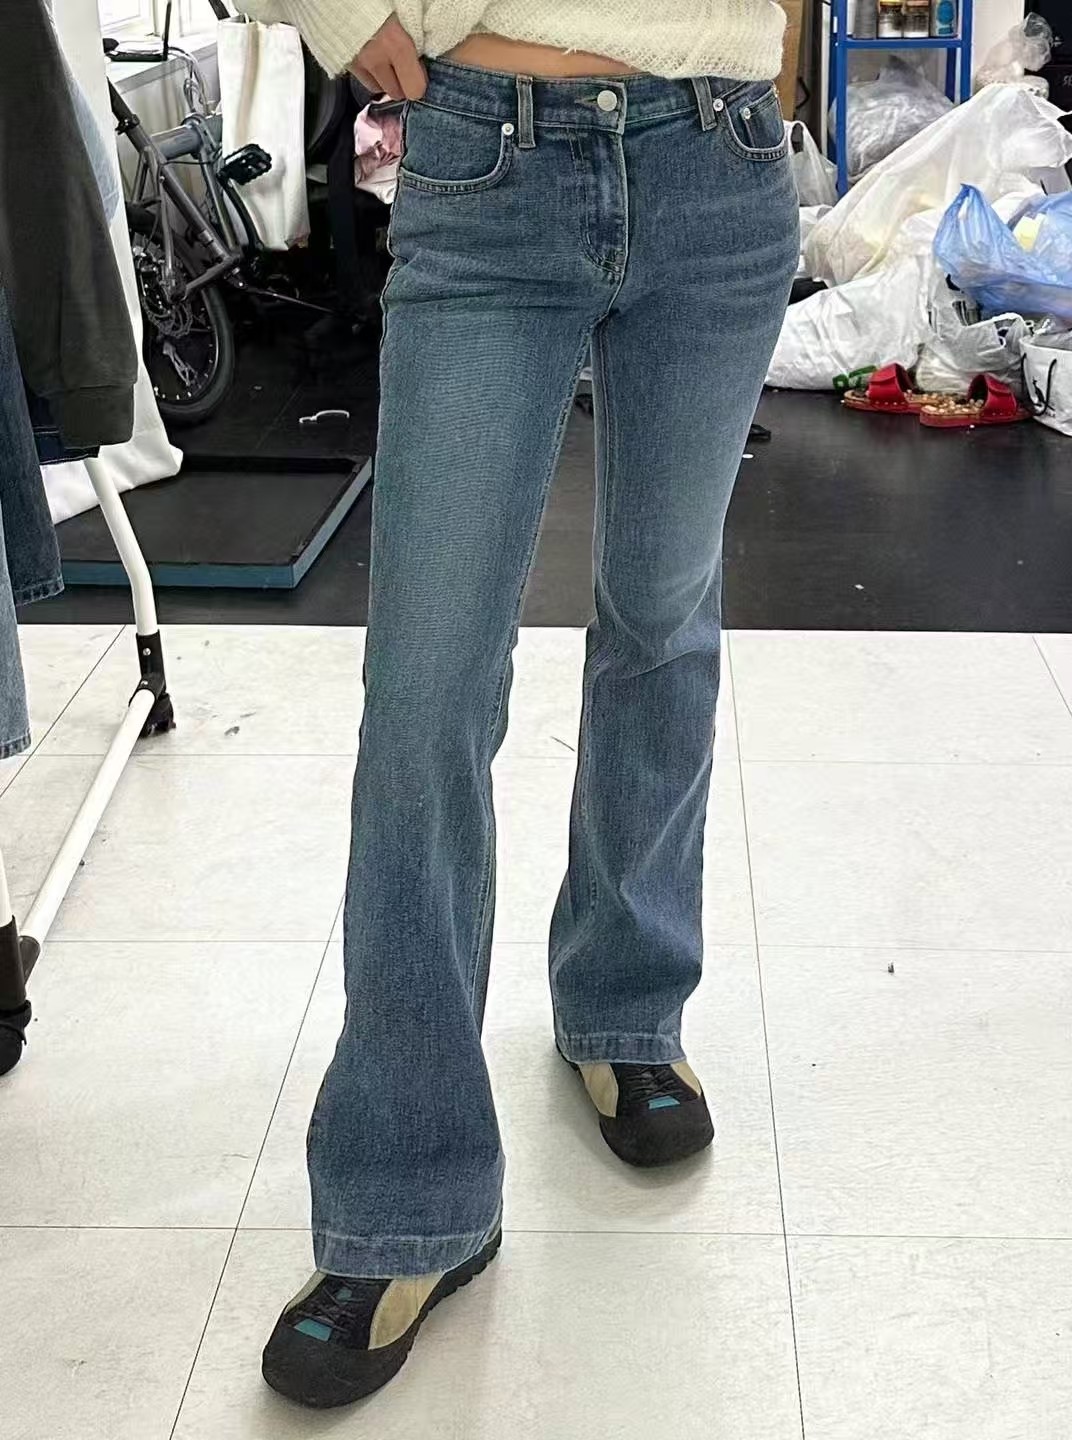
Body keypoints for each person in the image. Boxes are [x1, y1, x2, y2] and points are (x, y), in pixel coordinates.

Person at [240, 0, 798, 1410]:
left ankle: (626, 1004)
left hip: (719, 155)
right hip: (487, 162)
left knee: (661, 619)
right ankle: (406, 1192)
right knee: (425, 688)